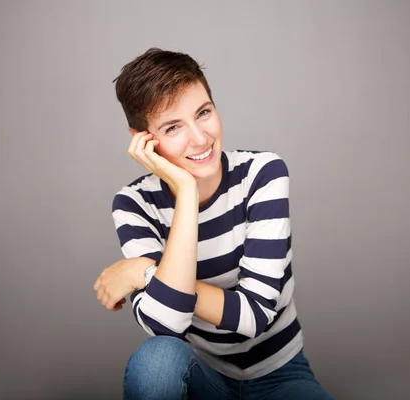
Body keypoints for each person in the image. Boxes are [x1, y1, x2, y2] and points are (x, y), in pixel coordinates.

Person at [93, 48, 334, 400]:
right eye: (173, 127)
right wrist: (187, 193)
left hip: (280, 375)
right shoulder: (134, 205)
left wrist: (144, 274)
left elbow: (253, 315)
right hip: (203, 379)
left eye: (203, 113)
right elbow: (166, 323)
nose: (200, 139)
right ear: (143, 140)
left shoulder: (262, 174)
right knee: (157, 359)